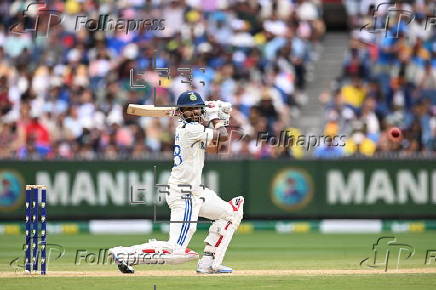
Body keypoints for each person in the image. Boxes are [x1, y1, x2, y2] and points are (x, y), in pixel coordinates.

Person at [109, 91, 244, 274]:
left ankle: (209, 263)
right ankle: (124, 253)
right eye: (189, 110)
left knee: (231, 213)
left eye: (197, 109)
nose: (194, 113)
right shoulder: (191, 130)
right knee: (176, 251)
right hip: (184, 194)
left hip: (196, 192)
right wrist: (215, 117)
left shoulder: (193, 128)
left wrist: (220, 117)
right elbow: (223, 136)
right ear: (181, 112)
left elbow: (217, 147)